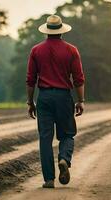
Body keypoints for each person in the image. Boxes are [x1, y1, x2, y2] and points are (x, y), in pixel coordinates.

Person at [26, 14, 85, 188]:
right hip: (63, 97)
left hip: (44, 97)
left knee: (45, 138)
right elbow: (78, 79)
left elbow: (30, 79)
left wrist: (31, 102)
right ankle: (64, 159)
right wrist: (80, 100)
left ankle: (49, 180)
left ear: (46, 31)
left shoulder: (36, 50)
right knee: (67, 134)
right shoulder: (71, 50)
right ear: (61, 31)